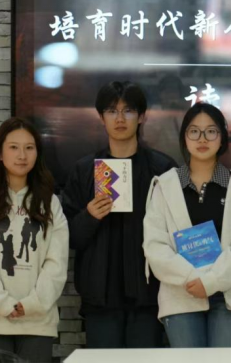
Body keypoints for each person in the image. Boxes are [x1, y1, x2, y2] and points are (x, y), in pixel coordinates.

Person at [61, 81, 176, 348]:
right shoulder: (84, 170)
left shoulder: (162, 169)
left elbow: (178, 230)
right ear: (101, 117)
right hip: (100, 297)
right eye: (112, 111)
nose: (120, 119)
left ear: (142, 116)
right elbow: (68, 237)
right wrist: (89, 216)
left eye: (128, 111)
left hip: (149, 295)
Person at [143, 103, 231, 347]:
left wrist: (210, 282)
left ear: (222, 138)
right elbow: (155, 246)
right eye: (194, 131)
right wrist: (193, 279)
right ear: (184, 137)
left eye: (211, 131)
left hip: (230, 295)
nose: (202, 139)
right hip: (181, 293)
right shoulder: (165, 186)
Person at [0, 117, 68, 362]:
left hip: (37, 321)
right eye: (13, 147)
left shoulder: (50, 203)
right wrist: (2, 303)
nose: (22, 155)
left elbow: (57, 263)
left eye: (29, 147)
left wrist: (32, 304)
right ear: (0, 153)